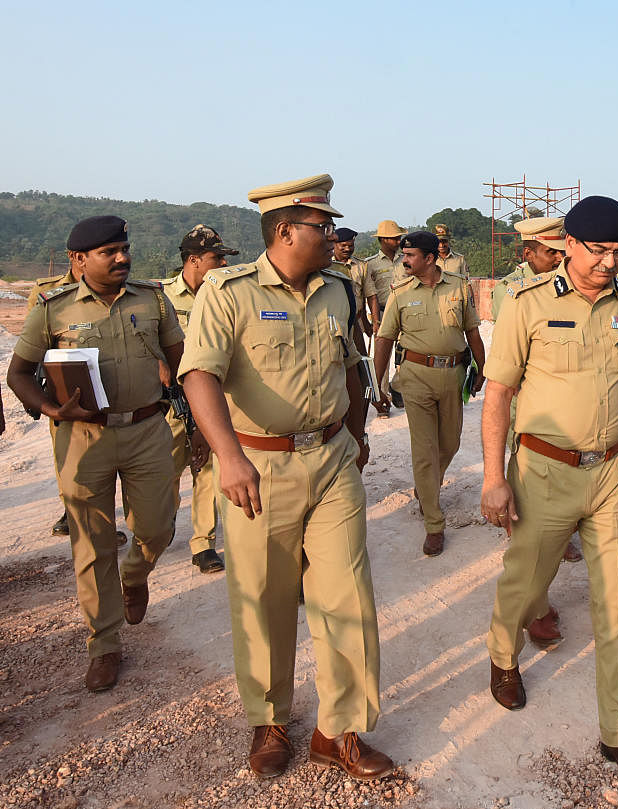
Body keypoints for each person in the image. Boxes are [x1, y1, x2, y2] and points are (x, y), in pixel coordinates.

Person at [179, 174, 392, 780]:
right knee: (265, 599)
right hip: (259, 467)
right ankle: (270, 720)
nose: (332, 237)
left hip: (331, 463)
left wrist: (355, 433)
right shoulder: (229, 291)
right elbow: (199, 376)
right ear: (284, 230)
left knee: (347, 595)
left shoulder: (337, 291)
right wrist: (228, 456)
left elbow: (350, 366)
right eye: (323, 227)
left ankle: (339, 730)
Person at [480, 195, 618, 796]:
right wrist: (493, 476)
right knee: (527, 582)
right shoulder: (527, 304)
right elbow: (500, 392)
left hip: (613, 470)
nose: (610, 263)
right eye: (599, 250)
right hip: (545, 470)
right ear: (570, 245)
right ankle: (503, 655)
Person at [7, 215, 183, 692]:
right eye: (109, 251)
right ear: (78, 260)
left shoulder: (153, 298)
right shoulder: (52, 307)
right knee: (91, 543)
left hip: (148, 428)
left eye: (124, 248)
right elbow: (18, 373)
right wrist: (49, 408)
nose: (122, 257)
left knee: (158, 527)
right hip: (83, 439)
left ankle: (135, 573)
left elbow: (182, 360)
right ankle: (103, 644)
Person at [373, 230, 486, 556]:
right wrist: (377, 384)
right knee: (425, 448)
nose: (404, 260)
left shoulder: (459, 288)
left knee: (449, 443)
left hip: (452, 376)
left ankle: (426, 488)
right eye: (403, 255)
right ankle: (434, 523)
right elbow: (384, 340)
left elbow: (473, 332)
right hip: (415, 378)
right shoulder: (400, 292)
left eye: (410, 256)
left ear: (429, 258)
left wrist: (481, 368)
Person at [492, 216, 581, 570]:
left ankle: (562, 534)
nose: (558, 259)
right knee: (528, 472)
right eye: (549, 253)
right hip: (525, 393)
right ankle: (525, 540)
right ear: (528, 253)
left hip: (560, 396)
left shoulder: (569, 285)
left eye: (562, 251)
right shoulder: (513, 290)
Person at [162, 224, 241, 573]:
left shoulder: (228, 294)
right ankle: (157, 526)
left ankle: (203, 543)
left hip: (210, 398)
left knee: (206, 467)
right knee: (163, 473)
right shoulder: (161, 298)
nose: (223, 263)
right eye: (217, 257)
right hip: (169, 403)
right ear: (194, 260)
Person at [26, 257, 83, 537]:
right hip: (63, 381)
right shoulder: (46, 291)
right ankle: (70, 507)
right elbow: (32, 340)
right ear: (76, 257)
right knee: (66, 448)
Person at [365, 220, 407, 416]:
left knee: (407, 355)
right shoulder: (370, 264)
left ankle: (397, 387)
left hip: (406, 313)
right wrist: (373, 320)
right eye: (393, 238)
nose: (397, 240)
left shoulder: (407, 260)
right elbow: (368, 294)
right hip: (382, 314)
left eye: (398, 237)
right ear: (382, 239)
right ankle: (382, 398)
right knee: (382, 358)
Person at [333, 227, 379, 336]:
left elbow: (371, 296)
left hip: (356, 323)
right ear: (334, 244)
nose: (347, 249)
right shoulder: (325, 266)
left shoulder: (362, 266)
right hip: (333, 323)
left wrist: (375, 323)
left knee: (360, 352)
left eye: (350, 245)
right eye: (343, 246)